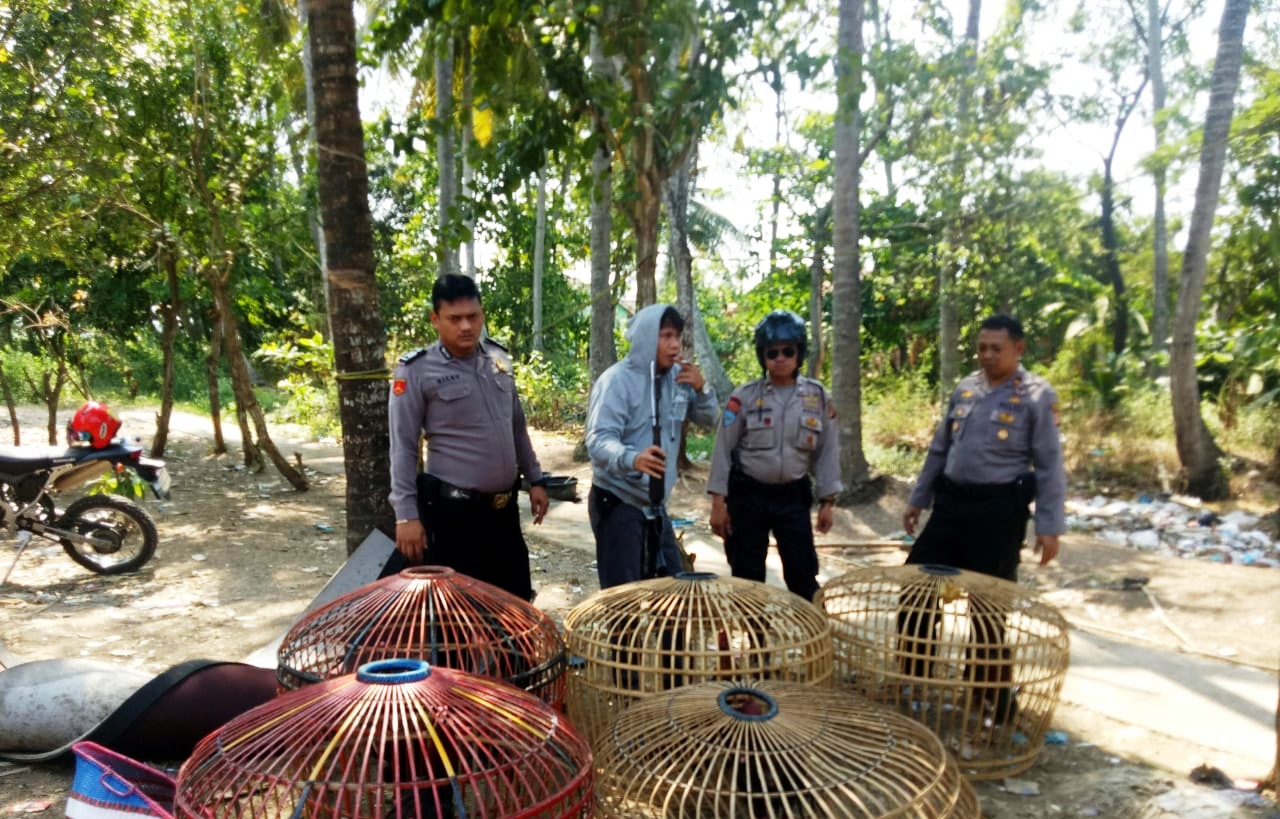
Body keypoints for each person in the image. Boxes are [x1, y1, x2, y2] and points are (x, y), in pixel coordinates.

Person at [899, 312, 1066, 723]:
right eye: (982, 347)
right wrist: (917, 499)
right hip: (951, 506)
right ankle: (915, 681)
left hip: (999, 512)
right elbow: (940, 449)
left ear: (1019, 349)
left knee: (988, 611)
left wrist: (1049, 527)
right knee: (916, 591)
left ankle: (991, 696)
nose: (987, 355)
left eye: (997, 348)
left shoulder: (1036, 396)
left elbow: (1049, 464)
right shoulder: (966, 389)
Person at [387, 273, 550, 601]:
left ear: (482, 315)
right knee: (459, 616)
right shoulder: (416, 370)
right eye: (455, 318)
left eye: (473, 317)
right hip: (453, 515)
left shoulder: (498, 358)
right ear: (435, 320)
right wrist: (406, 515)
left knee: (514, 604)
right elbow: (403, 446)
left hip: (503, 512)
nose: (466, 326)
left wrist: (535, 479)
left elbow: (516, 425)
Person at [706, 310, 842, 601]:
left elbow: (828, 451)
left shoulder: (818, 397)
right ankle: (756, 643)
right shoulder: (742, 397)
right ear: (762, 356)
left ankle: (811, 642)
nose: (780, 358)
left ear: (799, 353)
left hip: (792, 498)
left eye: (787, 351)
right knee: (747, 579)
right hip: (748, 497)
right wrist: (719, 503)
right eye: (772, 352)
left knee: (803, 575)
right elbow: (723, 449)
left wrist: (828, 501)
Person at [585, 304, 719, 589]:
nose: (674, 345)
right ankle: (624, 636)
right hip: (618, 500)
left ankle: (669, 635)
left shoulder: (678, 379)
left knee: (672, 592)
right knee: (623, 599)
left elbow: (708, 420)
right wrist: (631, 458)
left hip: (656, 506)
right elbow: (597, 439)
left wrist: (701, 389)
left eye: (677, 337)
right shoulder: (616, 381)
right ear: (647, 337)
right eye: (666, 336)